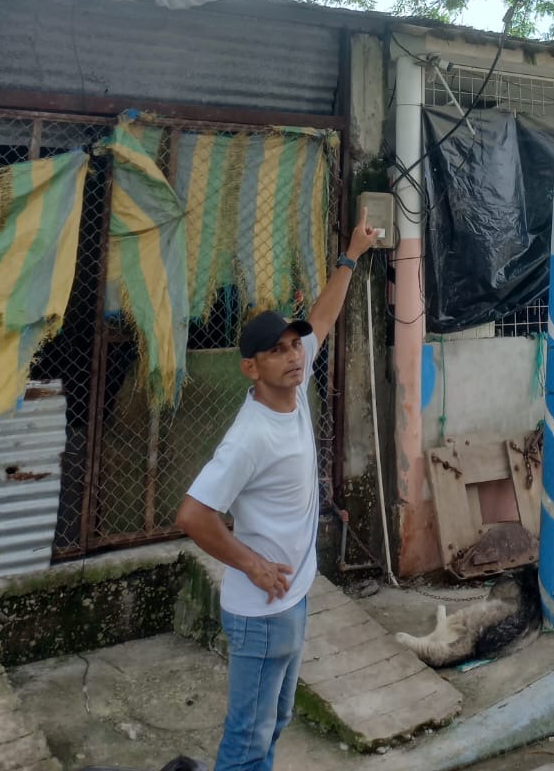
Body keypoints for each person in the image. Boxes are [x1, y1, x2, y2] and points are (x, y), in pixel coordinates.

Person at [176, 208, 378, 771]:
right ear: (250, 368)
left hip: (293, 599)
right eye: (278, 351)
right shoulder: (250, 437)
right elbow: (192, 514)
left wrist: (351, 255)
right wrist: (253, 566)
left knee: (276, 723)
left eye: (294, 346)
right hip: (261, 613)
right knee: (247, 743)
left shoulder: (294, 382)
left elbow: (323, 317)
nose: (293, 357)